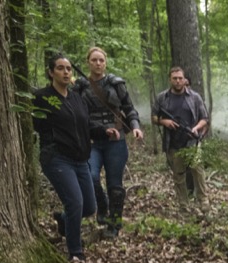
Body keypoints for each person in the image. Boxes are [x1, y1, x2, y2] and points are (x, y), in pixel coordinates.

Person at [32, 53, 107, 263]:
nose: (66, 72)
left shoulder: (76, 98)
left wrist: (105, 131)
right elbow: (37, 124)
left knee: (89, 207)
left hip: (80, 159)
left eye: (68, 68)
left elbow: (86, 126)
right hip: (57, 158)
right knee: (75, 202)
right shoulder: (43, 97)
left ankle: (64, 221)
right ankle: (75, 251)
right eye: (60, 68)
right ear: (51, 72)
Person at [73, 47, 144, 238]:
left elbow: (129, 109)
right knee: (91, 176)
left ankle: (114, 225)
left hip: (116, 141)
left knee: (115, 185)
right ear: (88, 62)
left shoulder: (115, 84)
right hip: (92, 140)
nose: (98, 63)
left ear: (105, 62)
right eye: (94, 60)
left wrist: (135, 126)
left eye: (101, 60)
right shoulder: (80, 86)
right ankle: (101, 206)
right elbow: (76, 113)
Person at [151, 67, 209, 210]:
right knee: (178, 175)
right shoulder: (162, 98)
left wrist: (196, 128)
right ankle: (183, 204)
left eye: (180, 78)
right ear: (170, 80)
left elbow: (204, 118)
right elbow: (153, 117)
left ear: (185, 80)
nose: (177, 81)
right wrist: (164, 122)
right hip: (173, 142)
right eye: (174, 78)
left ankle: (203, 201)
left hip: (192, 141)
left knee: (198, 171)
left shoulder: (195, 97)